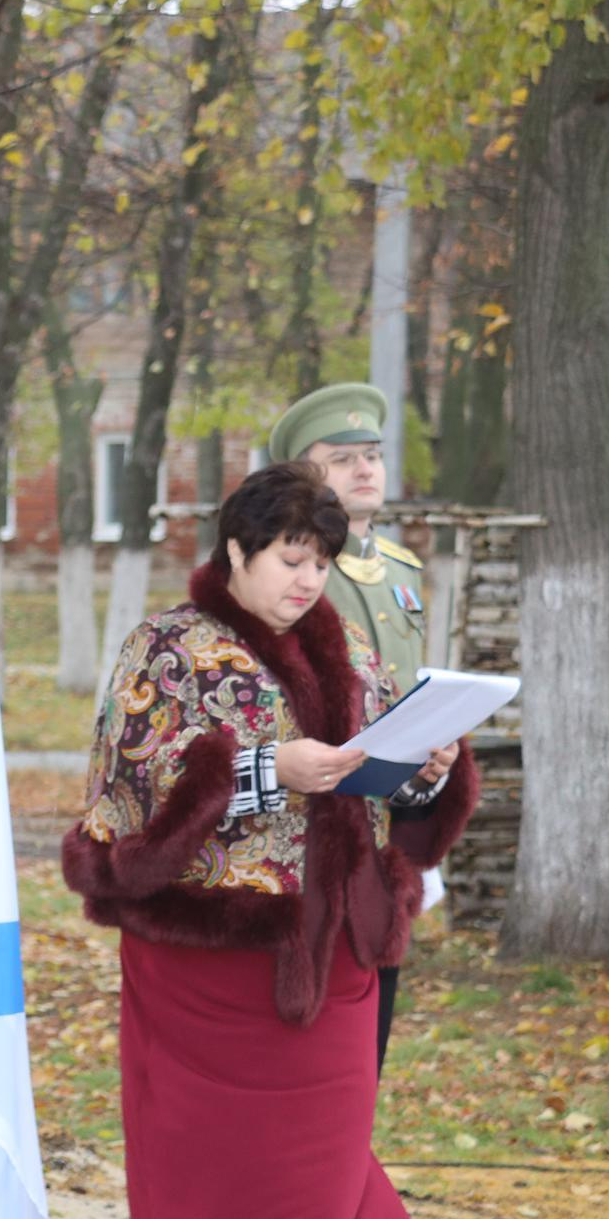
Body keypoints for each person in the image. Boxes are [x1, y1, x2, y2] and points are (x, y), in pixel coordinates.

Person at [63, 462, 478, 1219]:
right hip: (209, 956)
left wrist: (426, 769)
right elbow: (125, 795)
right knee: (208, 1173)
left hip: (334, 949)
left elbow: (383, 794)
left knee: (321, 1174)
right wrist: (262, 770)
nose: (308, 581)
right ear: (238, 551)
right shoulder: (170, 650)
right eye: (291, 559)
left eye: (323, 563)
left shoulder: (348, 654)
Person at [267, 381, 431, 1066]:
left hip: (386, 821)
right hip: (311, 819)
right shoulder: (286, 570)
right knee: (309, 1035)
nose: (366, 469)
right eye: (343, 458)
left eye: (373, 454)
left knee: (370, 1035)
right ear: (304, 474)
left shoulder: (402, 567)